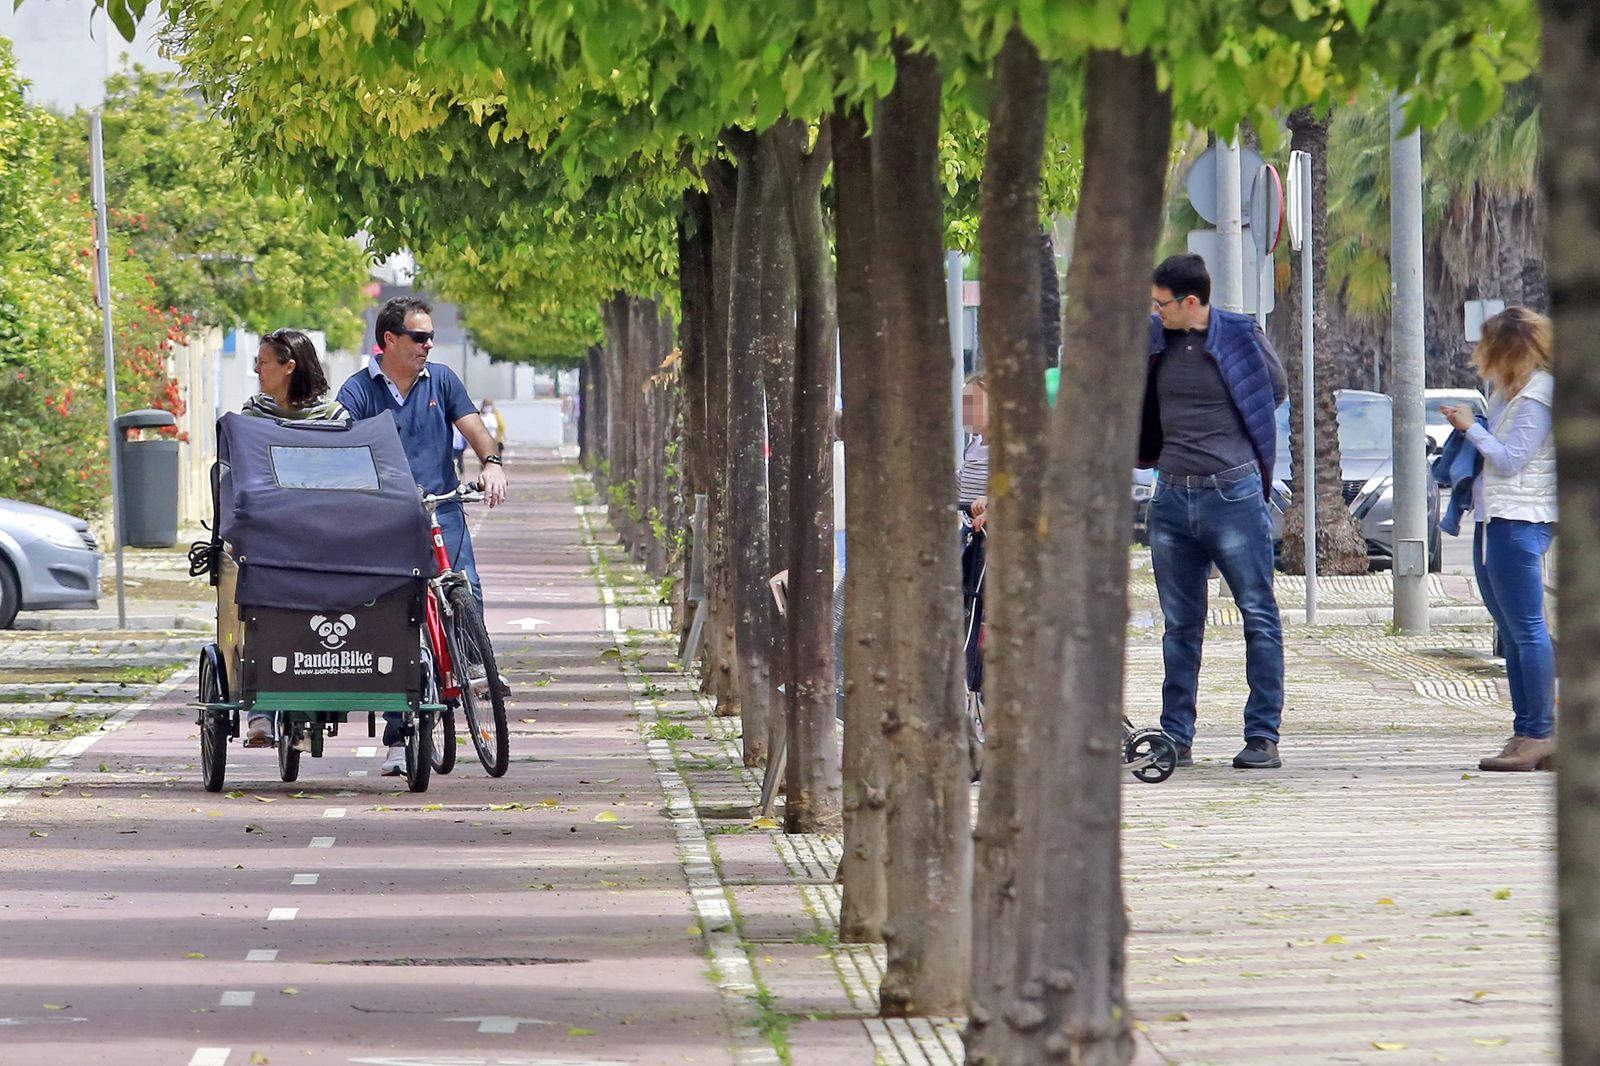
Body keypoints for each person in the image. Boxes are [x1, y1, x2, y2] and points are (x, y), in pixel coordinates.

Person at [337, 296, 508, 776]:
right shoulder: (357, 391)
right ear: (389, 340)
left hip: (441, 508)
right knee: (397, 621)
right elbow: (344, 449)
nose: (428, 344)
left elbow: (474, 429)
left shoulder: (443, 381)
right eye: (419, 337)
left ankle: (476, 668)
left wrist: (491, 464)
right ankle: (400, 736)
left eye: (431, 336)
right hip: (386, 518)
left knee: (466, 587)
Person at [1139, 253, 1287, 770]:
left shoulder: (1241, 334)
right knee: (1179, 624)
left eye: (1163, 304)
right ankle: (1176, 734)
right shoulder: (1154, 339)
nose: (1156, 312)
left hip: (1234, 496)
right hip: (1171, 498)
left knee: (1258, 615)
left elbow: (1276, 388)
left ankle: (1262, 736)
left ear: (1192, 302)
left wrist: (1232, 441)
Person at [1441, 307, 1557, 772]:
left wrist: (1472, 429)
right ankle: (1525, 727)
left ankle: (1541, 732)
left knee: (1527, 629)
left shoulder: (1538, 397)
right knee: (1509, 631)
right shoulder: (1510, 392)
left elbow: (1512, 459)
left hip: (1520, 519)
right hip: (1495, 518)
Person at [239, 329, 347, 747]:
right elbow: (240, 474)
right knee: (266, 613)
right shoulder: (253, 415)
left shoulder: (334, 416)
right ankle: (262, 710)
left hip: (326, 536)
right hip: (271, 534)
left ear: (290, 367)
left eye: (264, 362)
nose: (256, 369)